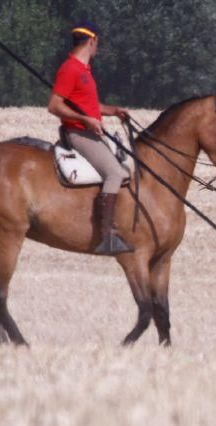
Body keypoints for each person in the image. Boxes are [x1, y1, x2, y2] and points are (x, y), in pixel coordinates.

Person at [48, 20, 133, 255]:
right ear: (92, 40)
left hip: (87, 129)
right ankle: (106, 236)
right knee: (115, 172)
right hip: (79, 133)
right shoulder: (70, 69)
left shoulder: (84, 71)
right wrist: (86, 121)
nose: (98, 48)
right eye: (98, 43)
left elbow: (88, 105)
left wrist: (113, 111)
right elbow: (54, 105)